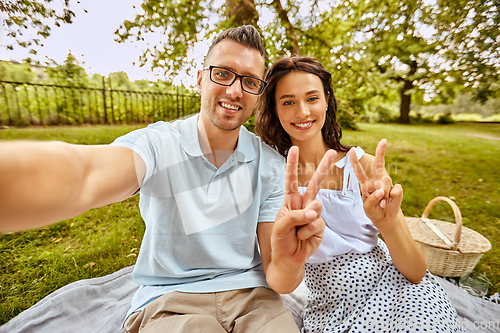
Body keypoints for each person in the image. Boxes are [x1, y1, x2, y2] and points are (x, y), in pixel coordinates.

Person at [0, 27, 336, 333]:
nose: (235, 90)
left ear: (258, 93)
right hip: (171, 301)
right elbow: (84, 173)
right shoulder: (159, 143)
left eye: (250, 81)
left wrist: (290, 261)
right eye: (223, 74)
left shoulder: (272, 164)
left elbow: (278, 278)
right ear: (200, 79)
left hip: (255, 300)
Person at [256, 56, 463, 332]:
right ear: (275, 108)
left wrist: (389, 227)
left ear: (327, 101)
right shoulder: (271, 177)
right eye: (288, 101)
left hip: (397, 290)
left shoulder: (362, 167)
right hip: (330, 308)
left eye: (312, 98)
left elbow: (415, 272)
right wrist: (289, 259)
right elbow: (279, 281)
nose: (302, 111)